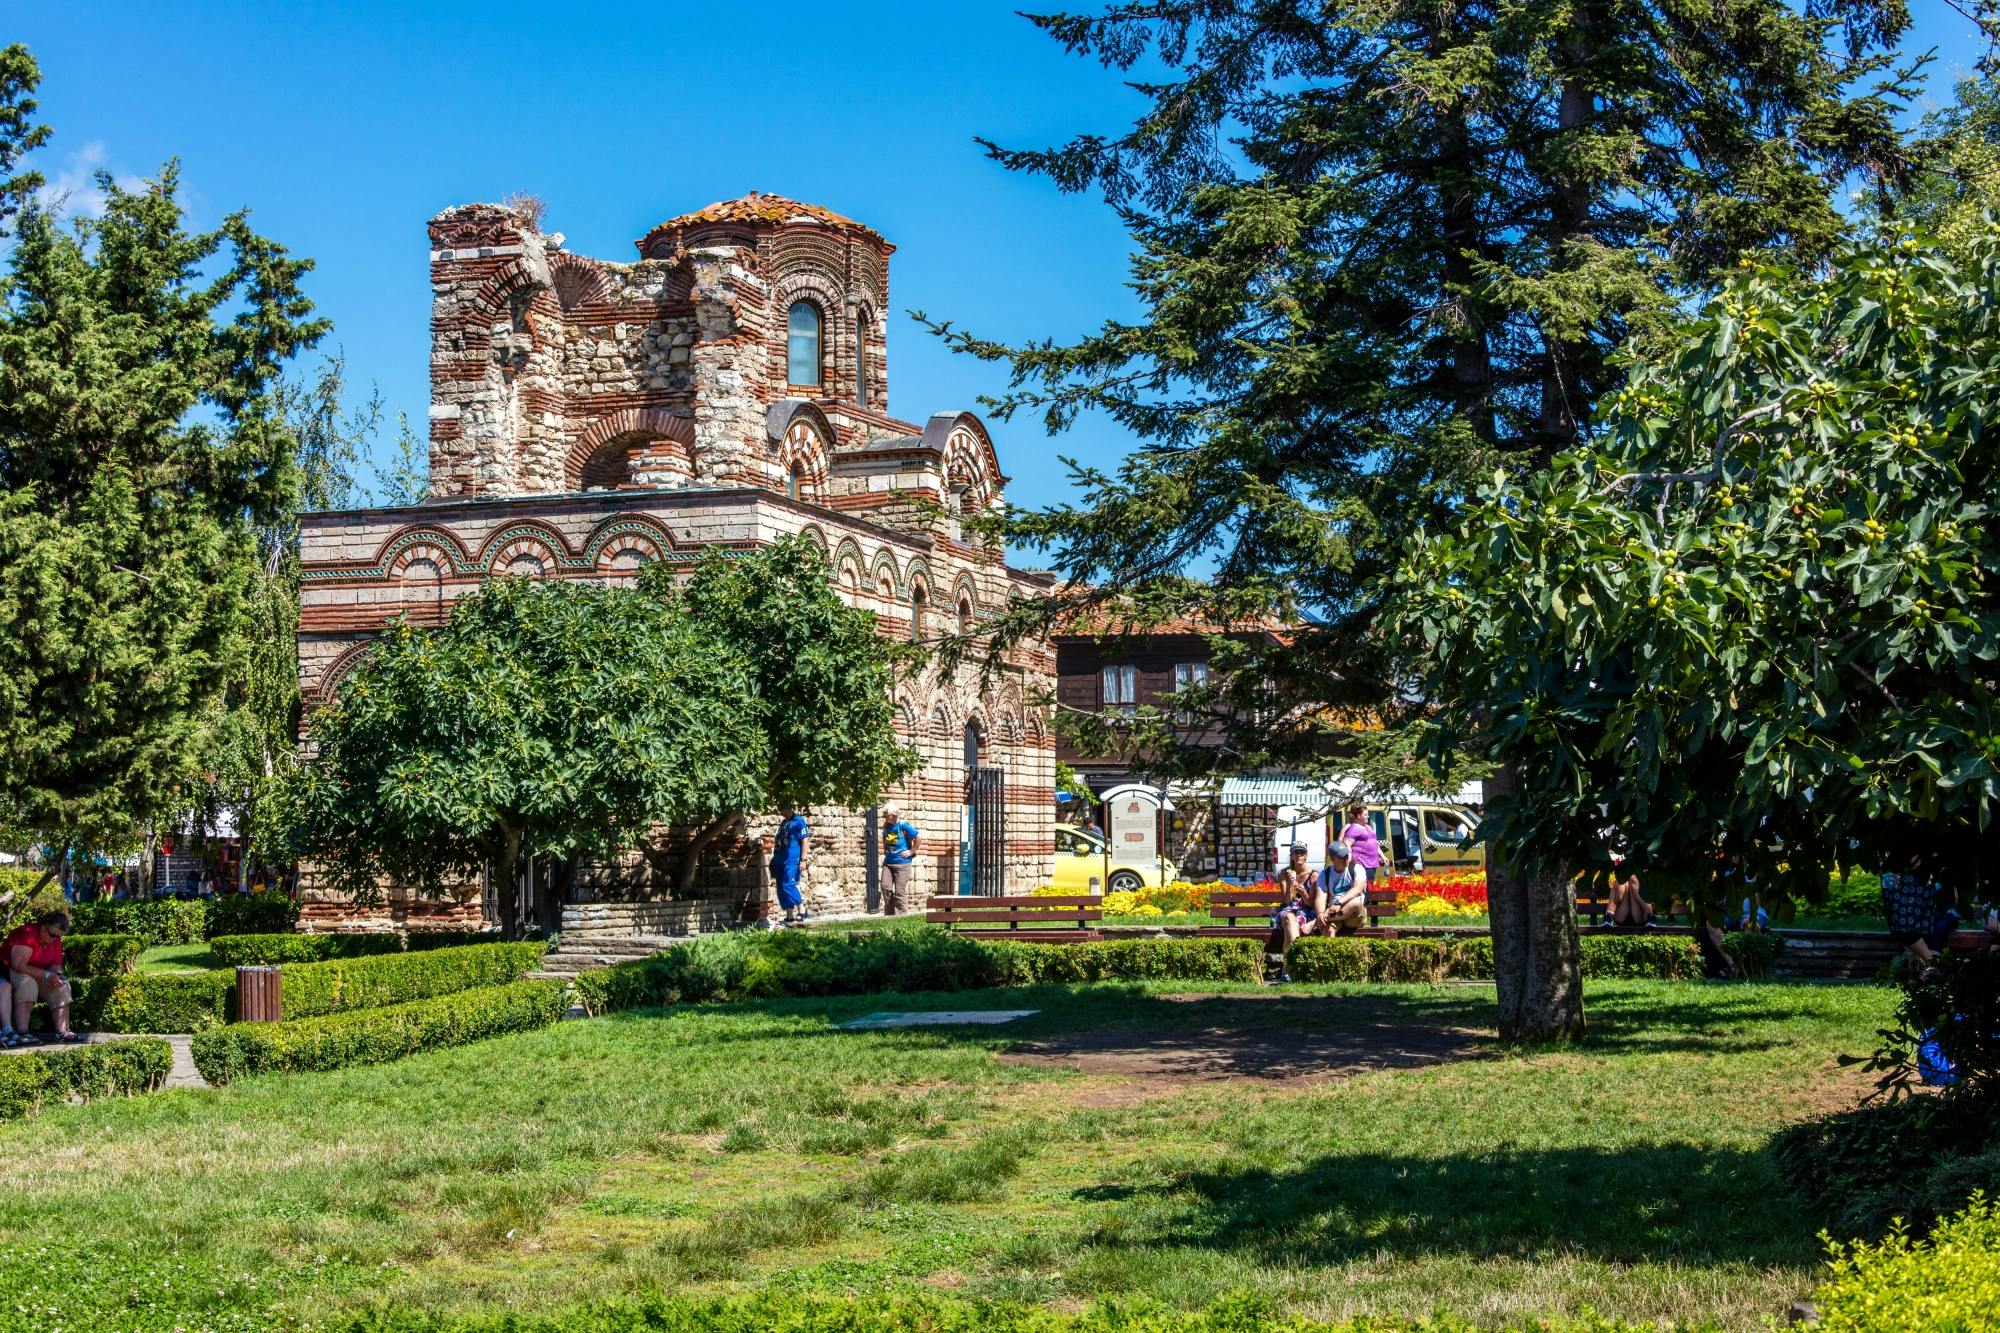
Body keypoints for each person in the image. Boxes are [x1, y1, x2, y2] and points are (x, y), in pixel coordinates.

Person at [7, 909, 81, 1044]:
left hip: (38, 972)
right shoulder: (27, 934)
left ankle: (62, 1032)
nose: (54, 939)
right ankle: (23, 1032)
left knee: (62, 986)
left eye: (57, 936)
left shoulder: (56, 939)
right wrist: (47, 974)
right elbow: (19, 965)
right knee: (28, 984)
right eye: (52, 934)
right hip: (10, 969)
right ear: (44, 926)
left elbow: (55, 966)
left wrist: (57, 976)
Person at [1881, 853, 1957, 976]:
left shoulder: (1933, 871)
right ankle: (1932, 968)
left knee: (1921, 929)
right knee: (1906, 928)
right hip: (1910, 922)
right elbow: (1893, 901)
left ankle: (1929, 970)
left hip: (1928, 918)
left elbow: (1949, 901)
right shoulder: (1892, 873)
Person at [1268, 844, 1324, 979]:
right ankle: (1295, 965)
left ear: (1306, 856)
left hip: (1305, 913)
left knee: (1290, 924)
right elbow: (1287, 902)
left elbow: (1310, 903)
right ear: (1291, 855)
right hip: (1288, 910)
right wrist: (1290, 884)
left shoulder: (1313, 875)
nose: (1299, 855)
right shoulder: (1283, 873)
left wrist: (1304, 892)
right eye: (1296, 852)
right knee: (1288, 917)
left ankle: (1287, 969)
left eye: (1302, 852)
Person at [771, 806, 812, 926]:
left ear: (788, 808)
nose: (779, 810)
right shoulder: (784, 822)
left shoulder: (799, 821)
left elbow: (805, 841)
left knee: (788, 884)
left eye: (781, 808)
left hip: (792, 859)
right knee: (780, 887)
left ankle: (802, 908)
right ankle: (789, 915)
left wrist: (803, 860)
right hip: (780, 859)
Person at [1318, 840, 1368, 934]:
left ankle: (1314, 923)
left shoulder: (1357, 868)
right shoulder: (1325, 874)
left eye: (1346, 855)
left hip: (1354, 916)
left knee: (1355, 902)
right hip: (1335, 915)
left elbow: (1358, 889)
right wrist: (1320, 913)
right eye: (1341, 857)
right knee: (1329, 930)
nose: (1346, 858)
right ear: (1332, 859)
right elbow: (1320, 896)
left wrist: (1339, 903)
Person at [879, 802, 920, 916]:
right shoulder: (886, 825)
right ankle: (890, 914)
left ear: (894, 815)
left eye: (886, 815)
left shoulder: (903, 825)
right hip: (888, 862)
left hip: (903, 864)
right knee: (885, 887)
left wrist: (911, 851)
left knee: (900, 892)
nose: (885, 817)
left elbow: (918, 838)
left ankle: (901, 916)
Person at [1340, 803, 1383, 883]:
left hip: (1371, 865)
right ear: (1359, 816)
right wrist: (1348, 861)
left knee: (1369, 888)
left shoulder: (1368, 827)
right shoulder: (1354, 828)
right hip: (1362, 865)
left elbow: (1374, 843)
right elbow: (1347, 844)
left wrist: (1382, 856)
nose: (1368, 816)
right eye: (1366, 815)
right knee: (1363, 889)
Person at [1608, 857, 1653, 928]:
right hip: (1622, 913)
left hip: (1638, 913)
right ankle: (1608, 915)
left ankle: (1651, 915)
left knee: (1633, 878)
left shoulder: (1642, 868)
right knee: (1620, 880)